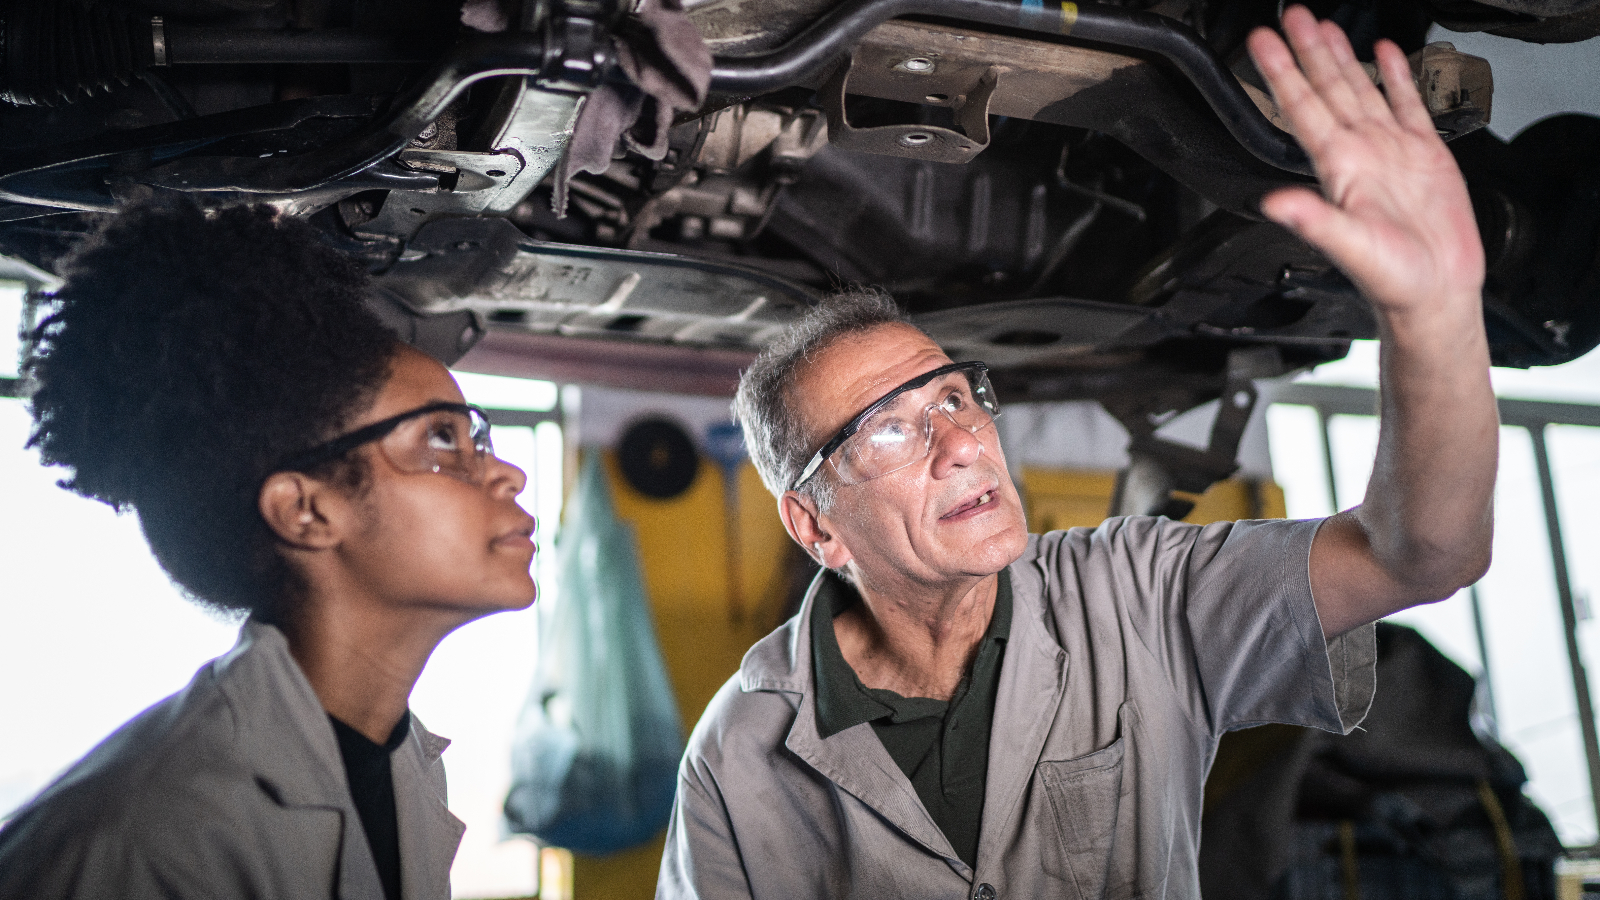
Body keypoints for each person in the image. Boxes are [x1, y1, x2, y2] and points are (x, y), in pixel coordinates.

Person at [657, 6, 1497, 899]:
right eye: (891, 429)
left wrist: (1434, 313)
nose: (961, 446)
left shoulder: (1138, 594)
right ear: (815, 522)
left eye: (953, 397)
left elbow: (1424, 553)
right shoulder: (742, 751)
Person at [0, 202, 538, 900]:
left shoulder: (405, 763)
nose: (507, 474)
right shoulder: (139, 842)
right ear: (306, 510)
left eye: (478, 439)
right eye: (441, 441)